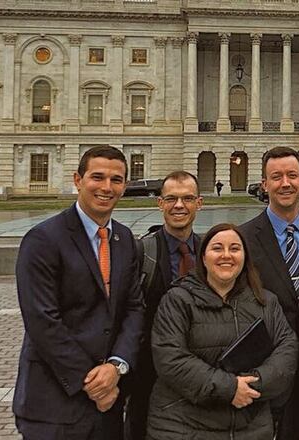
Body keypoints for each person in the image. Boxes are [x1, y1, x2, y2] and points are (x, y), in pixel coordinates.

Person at [13, 145, 144, 439]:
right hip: (54, 402)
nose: (106, 187)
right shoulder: (43, 239)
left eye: (116, 179)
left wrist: (116, 366)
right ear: (78, 180)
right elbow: (43, 321)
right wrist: (93, 382)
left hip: (108, 400)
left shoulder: (125, 240)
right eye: (97, 177)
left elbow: (134, 308)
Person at [147, 223, 299, 439]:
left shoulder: (265, 302)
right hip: (184, 426)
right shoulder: (178, 300)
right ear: (203, 257)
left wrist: (254, 383)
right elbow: (170, 358)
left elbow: (287, 350)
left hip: (250, 427)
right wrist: (230, 389)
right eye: (217, 248)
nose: (226, 255)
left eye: (235, 249)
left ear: (245, 257)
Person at [239, 147, 299, 440]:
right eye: (276, 177)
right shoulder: (242, 238)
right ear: (264, 184)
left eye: (292, 176)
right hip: (260, 372)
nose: (285, 183)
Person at [124, 171, 203, 440]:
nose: (179, 205)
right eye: (171, 199)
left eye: (187, 198)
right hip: (150, 378)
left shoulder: (210, 253)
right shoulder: (140, 253)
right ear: (160, 204)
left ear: (199, 203)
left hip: (201, 376)